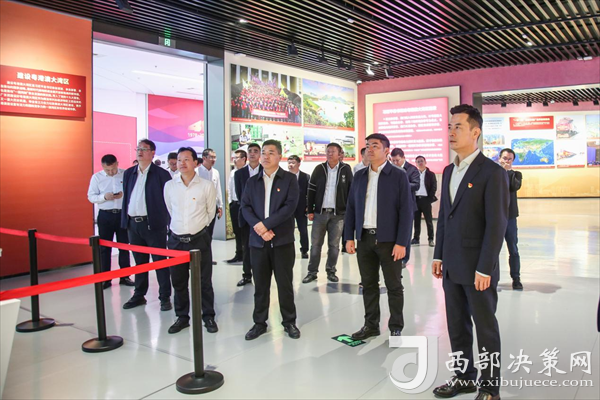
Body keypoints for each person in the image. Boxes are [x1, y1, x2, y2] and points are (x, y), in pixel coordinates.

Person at [432, 104, 508, 400]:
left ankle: (490, 388)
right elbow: (445, 216)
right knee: (457, 326)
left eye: (458, 127)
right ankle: (464, 378)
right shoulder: (449, 170)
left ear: (475, 132)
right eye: (449, 127)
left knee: (485, 329)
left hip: (478, 268)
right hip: (452, 265)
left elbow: (497, 225)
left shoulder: (491, 172)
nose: (451, 132)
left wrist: (485, 267)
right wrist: (438, 254)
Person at [344, 133, 413, 339]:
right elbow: (351, 208)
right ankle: (371, 325)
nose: (370, 149)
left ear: (386, 150)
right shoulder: (359, 176)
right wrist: (349, 237)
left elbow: (406, 212)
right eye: (368, 146)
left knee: (394, 286)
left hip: (389, 241)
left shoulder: (398, 175)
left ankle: (396, 326)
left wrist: (402, 243)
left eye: (375, 145)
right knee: (369, 285)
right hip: (365, 238)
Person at [240, 139, 300, 340]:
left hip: (282, 241)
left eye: (271, 153)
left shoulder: (289, 179)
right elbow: (245, 207)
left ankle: (289, 322)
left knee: (285, 284)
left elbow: (289, 207)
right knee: (260, 286)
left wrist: (265, 225)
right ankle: (259, 323)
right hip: (258, 242)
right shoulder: (252, 181)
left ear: (280, 156)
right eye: (263, 152)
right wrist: (260, 228)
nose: (265, 156)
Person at [163, 147, 218, 334]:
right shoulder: (170, 186)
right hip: (176, 240)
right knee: (178, 281)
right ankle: (182, 317)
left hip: (199, 239)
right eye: (179, 160)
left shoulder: (206, 186)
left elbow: (210, 213)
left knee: (204, 281)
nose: (182, 163)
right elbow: (170, 210)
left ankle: (208, 316)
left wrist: (197, 228)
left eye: (187, 159)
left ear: (196, 162)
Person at [121, 139, 173, 311]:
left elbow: (168, 201)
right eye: (138, 148)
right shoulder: (129, 173)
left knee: (159, 262)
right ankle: (139, 295)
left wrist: (167, 223)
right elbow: (126, 199)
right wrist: (125, 221)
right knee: (140, 262)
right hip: (133, 225)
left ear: (152, 153)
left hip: (153, 225)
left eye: (144, 149)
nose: (140, 151)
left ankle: (164, 297)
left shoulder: (161, 174)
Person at [303, 143, 353, 283]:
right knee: (315, 245)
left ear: (339, 154)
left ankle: (331, 271)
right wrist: (310, 210)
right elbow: (311, 191)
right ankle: (312, 272)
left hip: (338, 215)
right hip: (320, 213)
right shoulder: (319, 169)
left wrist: (348, 212)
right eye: (328, 151)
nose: (330, 154)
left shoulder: (345, 169)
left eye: (333, 151)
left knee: (334, 245)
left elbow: (351, 192)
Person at [87, 154, 134, 289]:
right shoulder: (97, 177)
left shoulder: (125, 174)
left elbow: (132, 192)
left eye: (113, 169)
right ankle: (105, 278)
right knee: (104, 248)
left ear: (117, 163)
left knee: (124, 246)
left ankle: (125, 276)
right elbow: (91, 196)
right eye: (107, 170)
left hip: (122, 214)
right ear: (102, 167)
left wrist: (123, 196)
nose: (111, 172)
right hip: (105, 215)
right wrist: (104, 197)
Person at [234, 143, 262, 286]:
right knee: (246, 247)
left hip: (263, 217)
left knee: (262, 248)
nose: (252, 153)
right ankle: (246, 275)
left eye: (255, 151)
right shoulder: (239, 174)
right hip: (246, 216)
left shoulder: (266, 170)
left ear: (260, 154)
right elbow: (240, 196)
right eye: (250, 151)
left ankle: (261, 275)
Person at [390, 148, 419, 267]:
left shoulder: (412, 169)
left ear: (403, 158)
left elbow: (416, 185)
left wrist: (401, 185)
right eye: (393, 160)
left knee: (405, 232)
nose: (395, 163)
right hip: (392, 206)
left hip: (407, 206)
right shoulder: (390, 169)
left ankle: (404, 259)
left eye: (397, 160)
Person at [499, 148, 523, 290]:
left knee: (513, 248)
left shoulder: (516, 175)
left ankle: (516, 278)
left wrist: (507, 172)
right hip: (495, 217)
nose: (506, 161)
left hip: (510, 217)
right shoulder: (493, 174)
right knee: (493, 249)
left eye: (509, 159)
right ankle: (491, 278)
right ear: (499, 158)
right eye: (504, 158)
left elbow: (514, 186)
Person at [198, 148, 223, 265]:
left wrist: (220, 206)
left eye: (214, 157)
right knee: (200, 235)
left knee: (209, 234)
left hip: (213, 207)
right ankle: (199, 259)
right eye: (211, 157)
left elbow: (218, 189)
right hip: (200, 208)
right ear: (204, 158)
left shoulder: (216, 172)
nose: (213, 159)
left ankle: (207, 258)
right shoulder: (197, 172)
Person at [287, 155, 310, 259]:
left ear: (299, 164)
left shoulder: (305, 177)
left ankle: (304, 250)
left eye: (293, 163)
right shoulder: (284, 177)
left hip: (301, 208)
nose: (291, 165)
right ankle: (289, 251)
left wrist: (308, 206)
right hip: (288, 209)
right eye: (289, 163)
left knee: (303, 230)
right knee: (288, 231)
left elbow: (309, 193)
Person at [412, 155, 438, 247]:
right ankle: (416, 239)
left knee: (428, 221)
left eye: (421, 161)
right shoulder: (413, 174)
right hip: (416, 200)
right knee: (416, 221)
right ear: (416, 163)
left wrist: (429, 199)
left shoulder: (431, 174)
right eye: (418, 161)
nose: (420, 163)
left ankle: (430, 239)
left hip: (426, 200)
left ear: (425, 162)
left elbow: (434, 187)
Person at [227, 149, 247, 264]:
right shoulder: (233, 172)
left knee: (244, 231)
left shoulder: (246, 172)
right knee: (236, 230)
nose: (234, 160)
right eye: (233, 158)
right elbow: (229, 188)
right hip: (234, 204)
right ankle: (238, 253)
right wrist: (230, 202)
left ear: (244, 159)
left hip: (243, 205)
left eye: (237, 157)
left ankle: (245, 254)